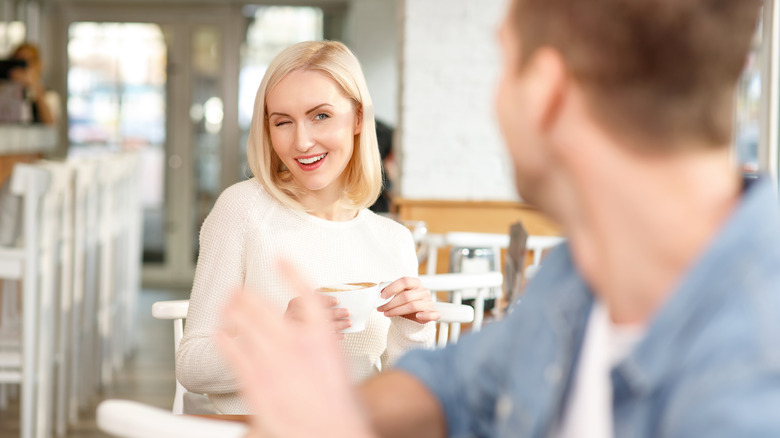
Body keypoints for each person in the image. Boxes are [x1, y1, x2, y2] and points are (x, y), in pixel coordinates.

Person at [216, 0, 780, 436]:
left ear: (546, 93)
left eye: (502, 64)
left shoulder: (747, 377)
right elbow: (454, 386)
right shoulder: (583, 278)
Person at [176, 40, 438, 415]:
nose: (301, 142)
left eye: (320, 116)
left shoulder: (392, 240)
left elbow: (400, 392)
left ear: (359, 118)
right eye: (282, 121)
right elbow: (192, 367)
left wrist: (413, 329)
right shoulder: (243, 210)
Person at [7, 42, 58, 124]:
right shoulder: (4, 91)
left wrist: (34, 85)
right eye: (19, 62)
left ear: (38, 64)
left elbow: (50, 122)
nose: (24, 68)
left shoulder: (48, 94)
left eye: (29, 61)